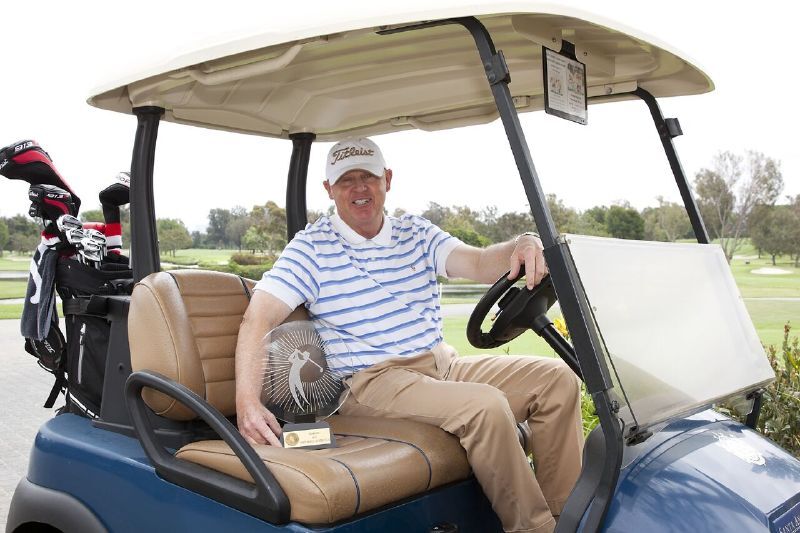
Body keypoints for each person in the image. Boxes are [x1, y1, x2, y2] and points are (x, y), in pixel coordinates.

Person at [235, 137, 583, 533]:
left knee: (557, 381)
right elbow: (258, 318)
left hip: (442, 365)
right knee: (484, 406)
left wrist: (523, 243)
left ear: (387, 179)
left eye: (368, 177)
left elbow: (478, 262)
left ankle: (567, 519)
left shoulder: (416, 233)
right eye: (346, 180)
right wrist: (247, 403)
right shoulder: (311, 248)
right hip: (373, 380)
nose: (359, 188)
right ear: (329, 190)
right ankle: (534, 529)